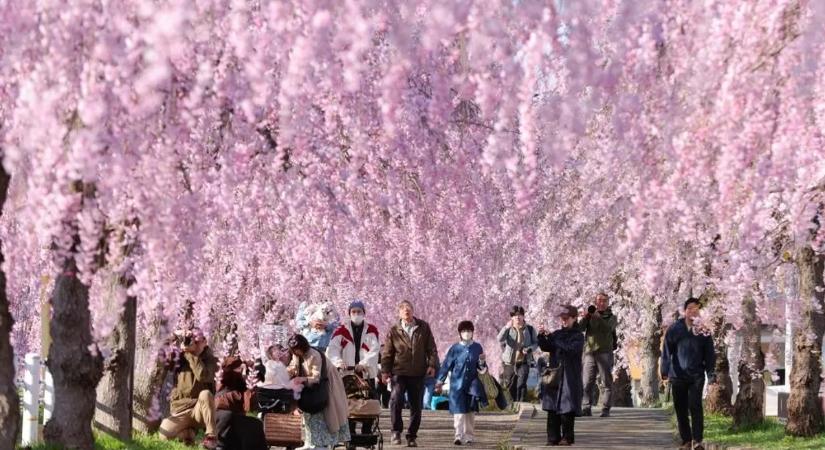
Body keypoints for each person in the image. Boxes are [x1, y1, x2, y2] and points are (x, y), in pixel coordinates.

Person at [381, 300, 439, 447]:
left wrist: (432, 364)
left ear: (413, 311)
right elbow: (387, 352)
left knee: (416, 405)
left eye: (409, 308)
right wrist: (385, 371)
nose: (406, 311)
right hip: (398, 372)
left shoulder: (423, 327)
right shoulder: (394, 330)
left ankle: (412, 435)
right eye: (403, 309)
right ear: (399, 313)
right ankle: (396, 431)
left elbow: (431, 348)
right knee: (396, 399)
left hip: (417, 372)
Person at [661, 298, 716, 450]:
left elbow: (709, 355)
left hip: (696, 375)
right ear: (685, 311)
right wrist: (664, 371)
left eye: (697, 309)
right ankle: (686, 441)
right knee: (681, 408)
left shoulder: (703, 330)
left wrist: (711, 374)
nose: (693, 311)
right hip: (677, 375)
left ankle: (697, 440)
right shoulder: (674, 328)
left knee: (695, 405)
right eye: (690, 308)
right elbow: (666, 350)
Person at [287, 333, 351, 450]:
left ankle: (321, 443)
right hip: (309, 386)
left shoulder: (314, 355)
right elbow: (293, 367)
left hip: (326, 384)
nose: (296, 353)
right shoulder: (297, 354)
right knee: (308, 414)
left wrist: (302, 379)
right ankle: (309, 441)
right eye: (294, 351)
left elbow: (316, 377)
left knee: (324, 413)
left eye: (297, 350)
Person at [159, 328, 220, 449]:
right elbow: (165, 361)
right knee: (163, 434)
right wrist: (173, 337)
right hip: (181, 408)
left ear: (205, 342)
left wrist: (191, 354)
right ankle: (188, 434)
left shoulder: (211, 360)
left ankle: (211, 437)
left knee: (205, 394)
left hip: (199, 410)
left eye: (197, 342)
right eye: (192, 341)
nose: (194, 344)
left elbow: (203, 375)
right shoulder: (181, 357)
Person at [326, 299, 380, 435]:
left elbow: (374, 350)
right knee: (348, 402)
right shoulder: (341, 330)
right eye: (353, 311)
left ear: (364, 313)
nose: (356, 314)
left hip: (365, 373)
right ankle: (350, 432)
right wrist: (338, 362)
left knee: (368, 402)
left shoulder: (371, 330)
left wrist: (364, 364)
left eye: (359, 311)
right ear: (349, 313)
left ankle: (366, 431)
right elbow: (332, 349)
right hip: (347, 374)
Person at [538, 304, 584, 447]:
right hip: (555, 375)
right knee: (552, 408)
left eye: (566, 318)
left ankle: (567, 437)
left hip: (570, 376)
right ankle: (552, 437)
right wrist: (541, 336)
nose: (563, 321)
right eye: (562, 318)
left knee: (567, 408)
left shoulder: (578, 336)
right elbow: (546, 347)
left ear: (574, 318)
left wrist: (555, 339)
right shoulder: (557, 334)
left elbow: (571, 349)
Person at [435, 321, 487, 446]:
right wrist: (440, 381)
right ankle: (458, 435)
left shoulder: (477, 347)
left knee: (470, 411)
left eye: (469, 331)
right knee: (459, 411)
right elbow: (446, 365)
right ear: (460, 333)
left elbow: (482, 367)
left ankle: (469, 436)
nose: (467, 333)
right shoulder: (455, 348)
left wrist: (482, 362)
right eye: (464, 331)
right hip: (457, 385)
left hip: (472, 385)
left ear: (472, 332)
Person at [214, 356, 267, 450]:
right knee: (228, 416)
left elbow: (250, 406)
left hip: (236, 419)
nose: (240, 371)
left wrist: (251, 388)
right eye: (238, 369)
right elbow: (221, 401)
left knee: (256, 425)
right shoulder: (223, 381)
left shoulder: (241, 382)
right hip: (222, 419)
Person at [580, 292, 618, 417]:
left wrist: (597, 317)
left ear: (607, 303)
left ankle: (605, 409)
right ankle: (586, 407)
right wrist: (586, 317)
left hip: (604, 352)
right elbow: (580, 328)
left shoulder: (612, 317)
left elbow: (607, 329)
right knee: (587, 382)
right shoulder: (591, 315)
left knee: (606, 382)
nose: (601, 303)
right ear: (596, 302)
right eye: (599, 300)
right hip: (589, 352)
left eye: (604, 301)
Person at [497, 305, 539, 402]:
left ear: (523, 316)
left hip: (524, 361)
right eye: (515, 315)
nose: (517, 317)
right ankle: (512, 405)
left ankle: (521, 404)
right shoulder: (509, 329)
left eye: (520, 315)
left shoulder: (530, 329)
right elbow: (499, 339)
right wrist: (506, 327)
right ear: (511, 317)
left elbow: (536, 343)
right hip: (509, 362)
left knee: (522, 383)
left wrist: (529, 349)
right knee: (510, 385)